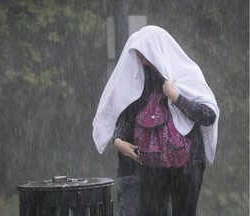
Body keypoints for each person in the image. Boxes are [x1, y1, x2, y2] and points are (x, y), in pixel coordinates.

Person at [92, 26, 219, 216]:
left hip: (188, 164)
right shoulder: (139, 78)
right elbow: (127, 112)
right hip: (152, 165)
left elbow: (208, 115)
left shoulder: (184, 74)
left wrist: (177, 97)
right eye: (139, 56)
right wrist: (117, 139)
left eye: (144, 56)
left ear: (156, 51)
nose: (142, 61)